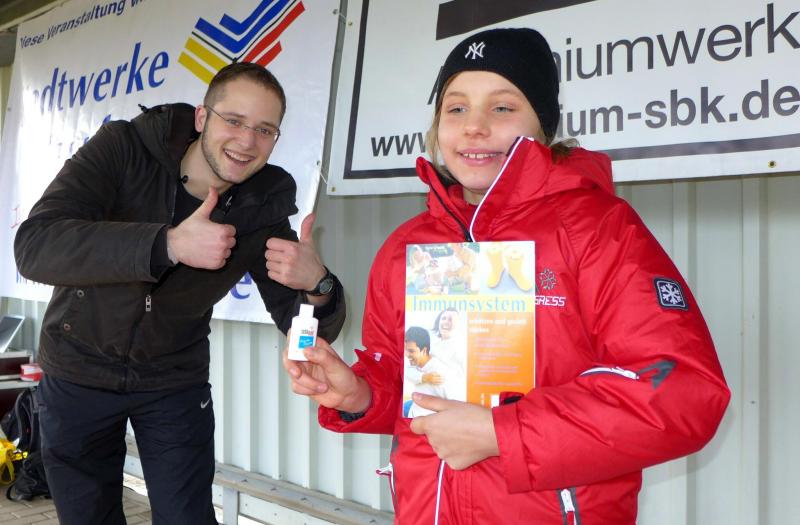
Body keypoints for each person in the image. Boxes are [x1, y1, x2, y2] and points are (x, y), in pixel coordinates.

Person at [282, 28, 729, 524]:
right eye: (456, 108)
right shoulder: (405, 248)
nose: (474, 127)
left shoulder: (596, 230)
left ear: (543, 127)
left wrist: (503, 433)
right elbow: (409, 385)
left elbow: (683, 392)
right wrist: (359, 394)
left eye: (502, 107)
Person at [14, 62, 345, 525]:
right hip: (77, 367)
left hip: (172, 380)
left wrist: (318, 286)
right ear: (202, 117)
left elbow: (300, 328)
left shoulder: (262, 203)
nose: (247, 141)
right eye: (234, 120)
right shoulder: (123, 148)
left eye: (264, 130)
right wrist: (166, 244)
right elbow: (35, 246)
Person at [403, 326, 449, 417]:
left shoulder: (439, 371)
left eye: (411, 351)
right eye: (405, 349)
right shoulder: (414, 365)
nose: (406, 355)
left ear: (424, 350)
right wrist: (424, 377)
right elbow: (407, 372)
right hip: (413, 406)